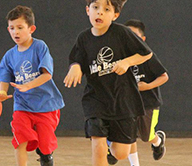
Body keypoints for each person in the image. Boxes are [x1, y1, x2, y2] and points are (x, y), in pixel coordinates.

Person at [63, 0, 153, 165]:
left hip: (123, 101)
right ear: (87, 10)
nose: (100, 12)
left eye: (106, 9)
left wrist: (126, 62)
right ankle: (103, 140)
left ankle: (111, 140)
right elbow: (77, 59)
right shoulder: (83, 38)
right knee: (98, 144)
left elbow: (146, 53)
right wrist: (75, 66)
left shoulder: (122, 32)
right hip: (96, 100)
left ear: (115, 15)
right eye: (95, 7)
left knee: (120, 153)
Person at [0, 5, 65, 166]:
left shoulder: (40, 47)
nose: (16, 32)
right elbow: (4, 77)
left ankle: (45, 155)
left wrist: (28, 85)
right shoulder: (9, 55)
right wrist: (1, 92)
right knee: (20, 138)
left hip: (46, 104)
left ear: (31, 29)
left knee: (45, 145)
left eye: (20, 27)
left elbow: (47, 75)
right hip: (23, 106)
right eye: (12, 28)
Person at [107, 19, 169, 166]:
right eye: (127, 35)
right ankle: (134, 163)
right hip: (128, 103)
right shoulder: (119, 57)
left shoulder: (148, 56)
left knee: (146, 136)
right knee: (130, 135)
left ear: (142, 40)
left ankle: (158, 140)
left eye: (134, 36)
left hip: (148, 103)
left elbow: (164, 76)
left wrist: (148, 86)